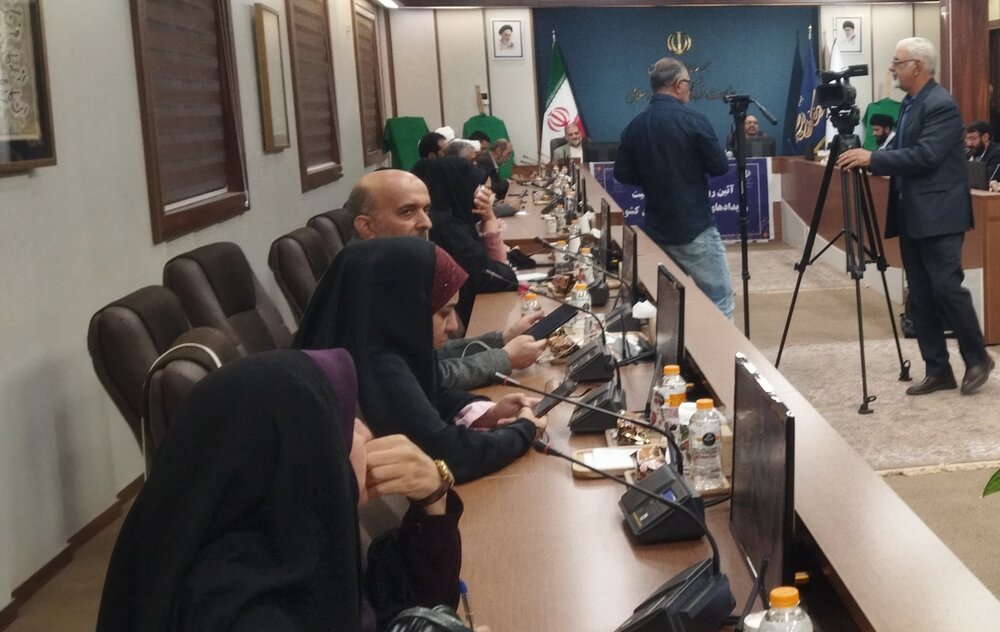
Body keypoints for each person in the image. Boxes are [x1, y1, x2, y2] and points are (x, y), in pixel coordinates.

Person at [96, 348, 472, 632]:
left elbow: (401, 602)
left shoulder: (285, 554)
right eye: (343, 423)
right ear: (298, 453)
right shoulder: (235, 612)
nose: (365, 433)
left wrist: (433, 494)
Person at [295, 239, 547, 483]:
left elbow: (430, 394)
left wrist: (488, 415)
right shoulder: (377, 366)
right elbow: (448, 454)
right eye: (444, 313)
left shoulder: (380, 342)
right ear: (404, 308)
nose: (453, 325)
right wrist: (523, 430)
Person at [837, 37, 993, 396]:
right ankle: (938, 370)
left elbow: (925, 156)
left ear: (917, 66)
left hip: (940, 214)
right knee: (920, 296)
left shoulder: (941, 105)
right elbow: (901, 150)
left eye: (897, 61)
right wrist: (870, 158)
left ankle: (977, 358)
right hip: (912, 213)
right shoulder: (909, 104)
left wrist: (873, 158)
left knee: (946, 288)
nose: (892, 68)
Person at [343, 169, 545, 390]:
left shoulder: (390, 265)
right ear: (367, 226)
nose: (427, 223)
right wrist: (503, 358)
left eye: (426, 210)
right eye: (407, 212)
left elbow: (425, 356)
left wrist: (502, 339)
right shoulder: (365, 283)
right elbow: (416, 378)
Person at [614, 57, 734, 319]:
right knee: (719, 297)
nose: (689, 89)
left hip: (656, 229)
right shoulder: (694, 120)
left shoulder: (635, 125)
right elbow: (720, 166)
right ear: (679, 85)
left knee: (665, 302)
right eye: (689, 84)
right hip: (695, 228)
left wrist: (653, 178)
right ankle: (716, 346)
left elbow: (621, 172)